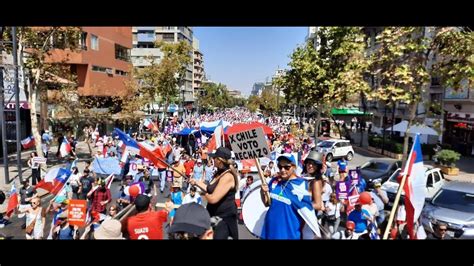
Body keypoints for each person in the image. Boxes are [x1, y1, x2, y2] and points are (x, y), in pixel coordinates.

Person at [260, 154, 318, 239]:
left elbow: (310, 210)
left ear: (294, 167)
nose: (282, 170)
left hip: (289, 234)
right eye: (280, 167)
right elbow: (267, 203)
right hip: (269, 232)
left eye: (286, 167)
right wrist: (262, 192)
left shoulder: (302, 184)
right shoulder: (274, 181)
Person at [189, 147, 239, 240]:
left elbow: (213, 198)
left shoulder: (227, 176)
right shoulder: (218, 173)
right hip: (214, 216)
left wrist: (202, 194)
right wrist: (196, 182)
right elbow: (209, 188)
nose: (212, 160)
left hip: (224, 220)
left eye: (214, 158)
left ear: (219, 160)